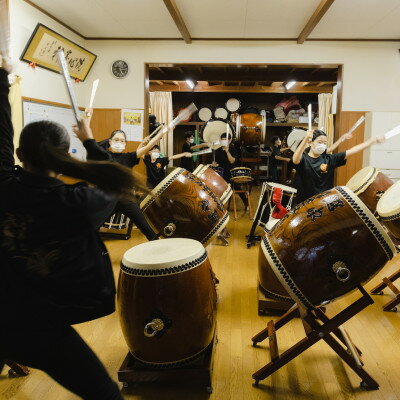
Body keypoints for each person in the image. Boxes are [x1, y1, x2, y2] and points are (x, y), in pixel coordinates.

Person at [0, 60, 127, 399]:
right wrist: (89, 141)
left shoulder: (3, 186)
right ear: (63, 154)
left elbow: (0, 136)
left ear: (19, 154)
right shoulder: (75, 203)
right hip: (42, 326)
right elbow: (114, 180)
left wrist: (1, 79)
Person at [83, 123, 169, 241]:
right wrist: (88, 119)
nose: (119, 142)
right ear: (110, 141)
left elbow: (148, 147)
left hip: (126, 199)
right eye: (116, 139)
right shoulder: (103, 156)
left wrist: (161, 134)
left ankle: (159, 249)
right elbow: (90, 145)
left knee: (146, 228)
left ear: (125, 143)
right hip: (107, 199)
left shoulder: (128, 157)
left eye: (122, 141)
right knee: (91, 227)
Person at [292, 129, 384, 204]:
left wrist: (371, 141)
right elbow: (295, 159)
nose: (322, 145)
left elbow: (352, 151)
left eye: (325, 143)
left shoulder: (329, 159)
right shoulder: (303, 159)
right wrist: (306, 138)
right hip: (304, 203)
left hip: (324, 203)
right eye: (320, 142)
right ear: (311, 143)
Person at [214, 132, 248, 209]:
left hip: (231, 172)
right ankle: (218, 207)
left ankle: (246, 203)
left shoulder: (233, 149)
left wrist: (227, 151)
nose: (223, 141)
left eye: (225, 139)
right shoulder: (217, 150)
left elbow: (232, 161)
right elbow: (216, 163)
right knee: (217, 189)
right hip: (221, 173)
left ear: (229, 141)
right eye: (222, 139)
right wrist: (214, 165)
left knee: (237, 187)